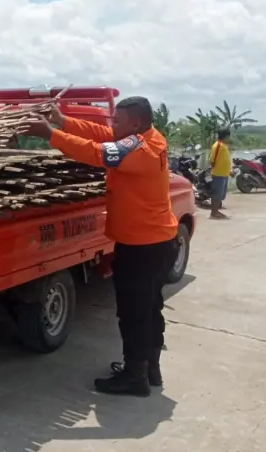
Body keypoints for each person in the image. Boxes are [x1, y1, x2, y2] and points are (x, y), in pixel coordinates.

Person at [19, 97, 178, 397]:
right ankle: (148, 369)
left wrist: (50, 134)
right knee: (150, 310)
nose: (111, 125)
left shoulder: (142, 149)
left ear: (135, 123)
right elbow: (101, 134)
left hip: (143, 247)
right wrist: (62, 121)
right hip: (155, 242)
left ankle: (135, 378)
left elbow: (98, 152)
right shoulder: (147, 136)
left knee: (134, 314)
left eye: (117, 120)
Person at [208, 128, 232, 219]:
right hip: (218, 174)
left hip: (224, 174)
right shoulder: (217, 146)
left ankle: (216, 211)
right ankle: (214, 213)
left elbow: (223, 160)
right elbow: (212, 160)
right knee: (217, 194)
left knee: (221, 195)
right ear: (225, 136)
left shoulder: (223, 145)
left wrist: (229, 171)